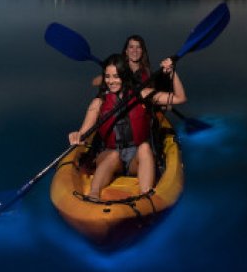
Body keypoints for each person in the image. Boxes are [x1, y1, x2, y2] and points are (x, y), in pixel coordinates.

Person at [68, 53, 186, 201]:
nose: (111, 81)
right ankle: (93, 194)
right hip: (110, 157)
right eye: (107, 76)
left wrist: (172, 73)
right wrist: (76, 136)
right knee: (113, 155)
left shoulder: (142, 94)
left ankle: (146, 195)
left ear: (124, 76)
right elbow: (83, 132)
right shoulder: (98, 103)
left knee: (144, 147)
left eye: (116, 76)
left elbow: (180, 98)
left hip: (135, 159)